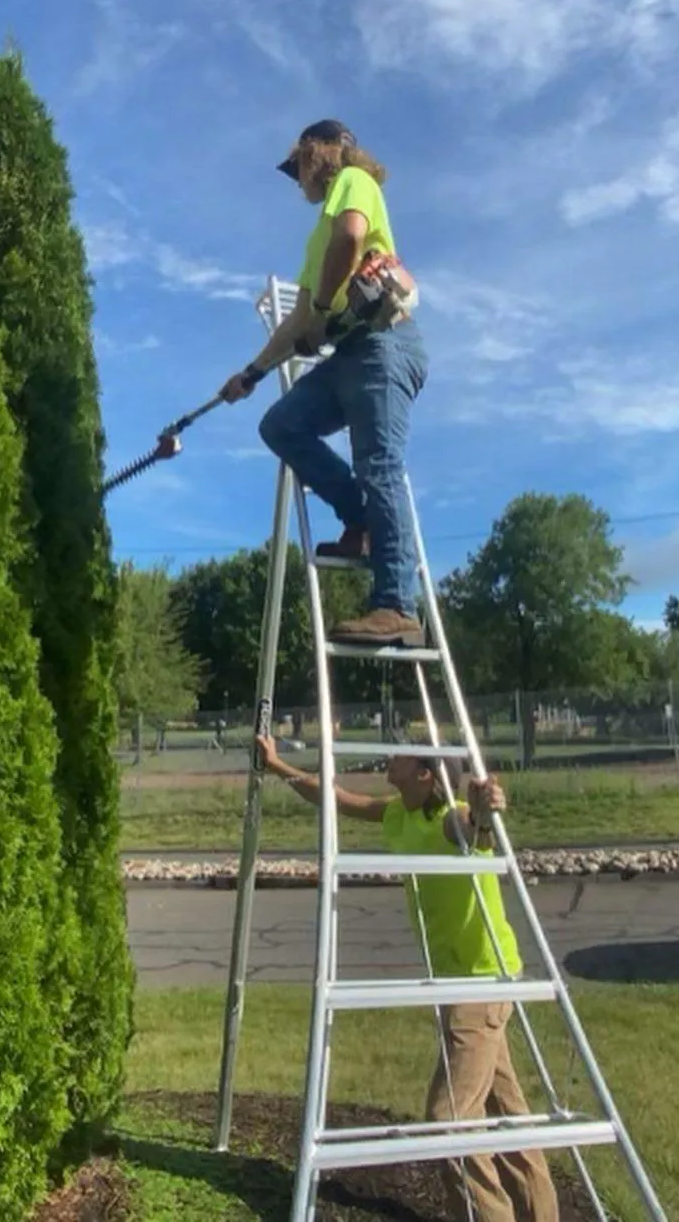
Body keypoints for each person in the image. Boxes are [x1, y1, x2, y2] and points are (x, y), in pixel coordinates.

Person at [256, 732, 561, 1222]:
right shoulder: (398, 812)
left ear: (425, 772)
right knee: (509, 1116)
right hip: (458, 982)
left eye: (400, 753)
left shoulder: (449, 817)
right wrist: (278, 767)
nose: (388, 756)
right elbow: (334, 796)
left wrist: (487, 811)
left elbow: (475, 828)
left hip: (480, 983)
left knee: (448, 1122)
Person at [220, 120, 428, 647]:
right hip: (350, 352)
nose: (296, 181)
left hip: (385, 346)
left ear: (321, 152)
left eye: (297, 167)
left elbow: (353, 237)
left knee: (378, 464)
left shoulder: (354, 182)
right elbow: (300, 322)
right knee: (282, 424)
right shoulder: (319, 235)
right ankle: (359, 521)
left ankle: (397, 605)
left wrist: (318, 319)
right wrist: (252, 373)